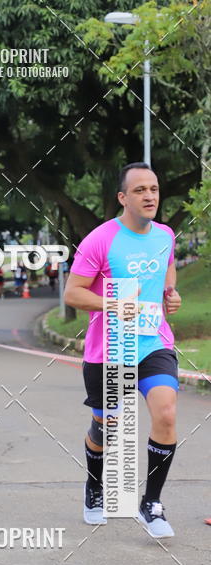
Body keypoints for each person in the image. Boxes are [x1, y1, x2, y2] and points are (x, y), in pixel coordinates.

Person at [64, 162, 181, 538]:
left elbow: (168, 268)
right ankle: (95, 487)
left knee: (166, 412)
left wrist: (170, 293)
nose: (149, 196)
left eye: (154, 189)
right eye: (139, 190)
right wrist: (112, 304)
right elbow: (73, 293)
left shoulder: (165, 235)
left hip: (153, 343)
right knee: (107, 428)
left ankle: (152, 503)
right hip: (110, 350)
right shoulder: (100, 240)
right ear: (122, 198)